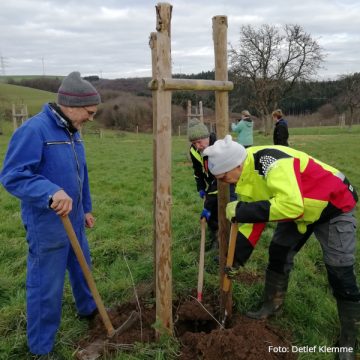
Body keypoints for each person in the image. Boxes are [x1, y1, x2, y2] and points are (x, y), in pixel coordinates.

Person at [204, 135, 359, 359]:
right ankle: (271, 305)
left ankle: (349, 339)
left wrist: (243, 210)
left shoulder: (271, 162)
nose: (224, 182)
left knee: (340, 271)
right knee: (278, 252)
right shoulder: (244, 177)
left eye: (224, 177)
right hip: (298, 207)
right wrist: (235, 258)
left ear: (236, 165)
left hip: (333, 205)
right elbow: (251, 222)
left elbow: (291, 206)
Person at [0, 71, 101, 358]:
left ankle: (89, 311)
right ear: (71, 105)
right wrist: (50, 191)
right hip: (48, 225)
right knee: (47, 285)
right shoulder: (34, 131)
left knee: (83, 269)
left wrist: (87, 209)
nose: (91, 118)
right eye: (89, 112)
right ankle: (41, 348)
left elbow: (82, 176)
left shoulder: (72, 133)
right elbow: (13, 175)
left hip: (75, 218)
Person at [188, 118, 219, 248]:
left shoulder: (217, 147)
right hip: (210, 181)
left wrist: (207, 206)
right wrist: (200, 187)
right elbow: (197, 171)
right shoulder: (194, 150)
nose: (197, 146)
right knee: (211, 213)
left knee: (219, 209)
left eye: (199, 142)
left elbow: (219, 178)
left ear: (207, 137)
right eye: (194, 143)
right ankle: (216, 237)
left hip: (223, 181)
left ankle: (225, 240)